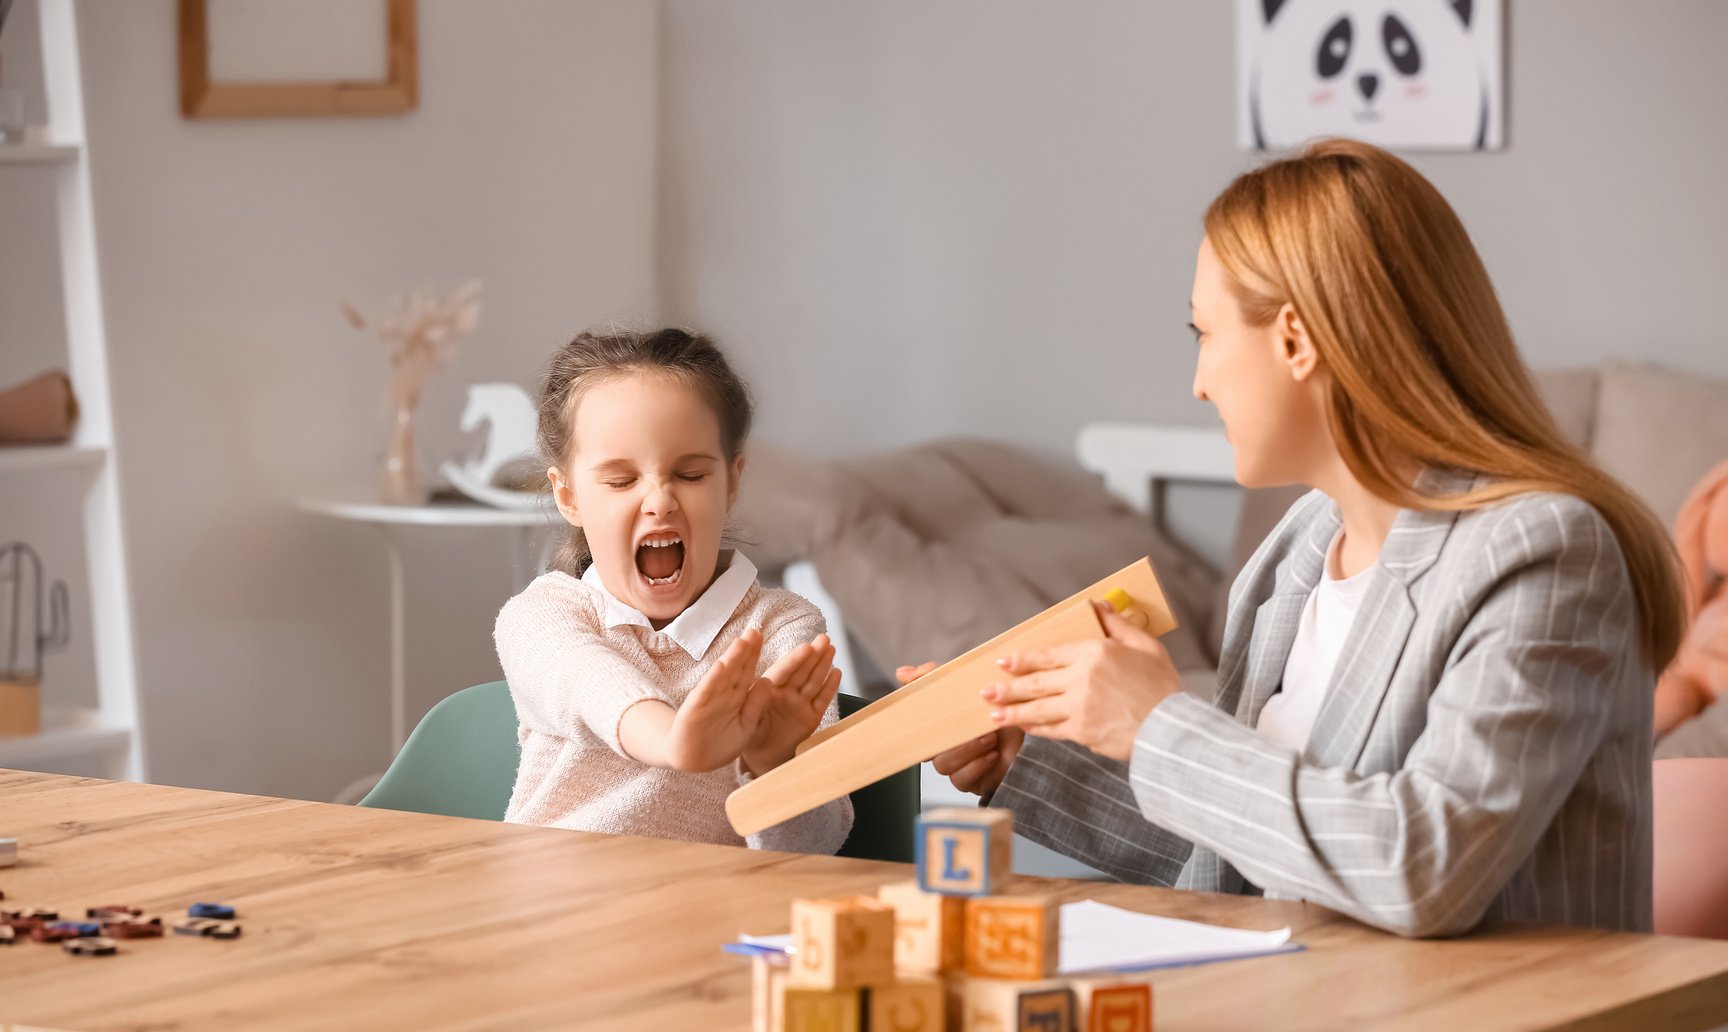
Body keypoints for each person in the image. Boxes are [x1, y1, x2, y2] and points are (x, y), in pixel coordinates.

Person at [909, 138, 1686, 937]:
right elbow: (1251, 854)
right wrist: (1033, 759)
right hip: (1306, 1012)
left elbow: (1428, 868)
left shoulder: (1543, 554)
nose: (1199, 380)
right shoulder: (1299, 554)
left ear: (1295, 339)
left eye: (1203, 333)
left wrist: (1159, 725)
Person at [497, 327, 852, 852]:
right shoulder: (543, 615)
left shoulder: (785, 627)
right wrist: (676, 740)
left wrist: (772, 766)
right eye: (621, 481)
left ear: (731, 483)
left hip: (708, 921)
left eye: (689, 474)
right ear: (569, 497)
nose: (659, 501)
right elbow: (590, 682)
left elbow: (817, 848)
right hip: (551, 911)